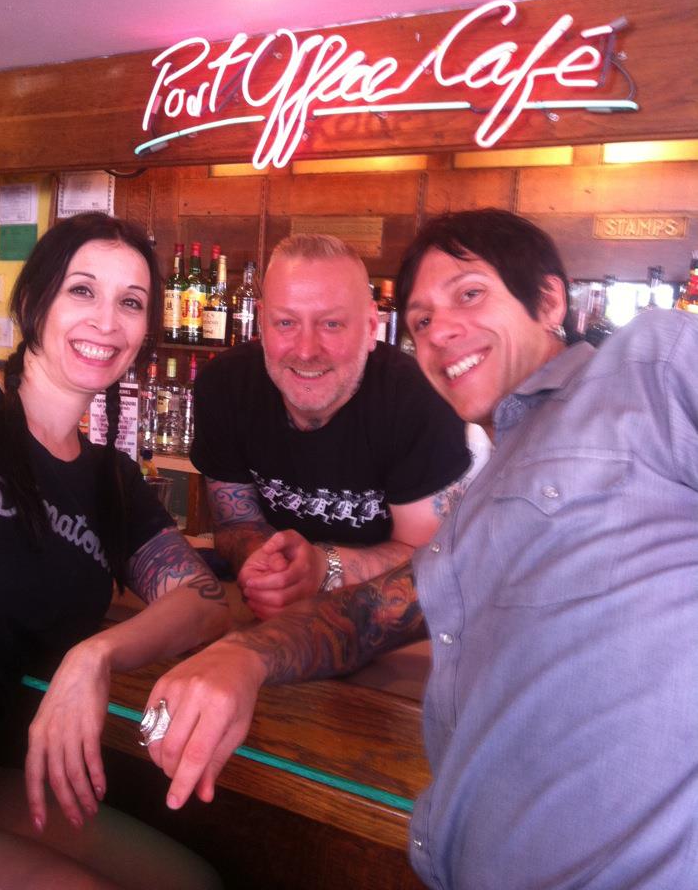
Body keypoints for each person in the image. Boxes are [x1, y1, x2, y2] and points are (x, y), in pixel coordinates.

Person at [142, 208, 696, 890]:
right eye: (423, 318)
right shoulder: (483, 507)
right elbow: (367, 616)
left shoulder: (648, 369)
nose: (441, 332)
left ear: (549, 300)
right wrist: (243, 657)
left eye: (469, 294)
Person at [0, 212, 226, 889]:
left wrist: (97, 655)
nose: (107, 322)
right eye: (82, 290)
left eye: (131, 303)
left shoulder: (111, 483)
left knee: (189, 883)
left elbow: (205, 602)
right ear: (35, 301)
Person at [191, 233, 473, 618]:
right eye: (286, 322)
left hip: (388, 622)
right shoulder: (225, 385)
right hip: (264, 616)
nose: (306, 350)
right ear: (261, 321)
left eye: (332, 323)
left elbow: (428, 557)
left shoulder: (420, 400)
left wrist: (324, 568)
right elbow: (236, 522)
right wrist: (269, 566)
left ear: (371, 326)